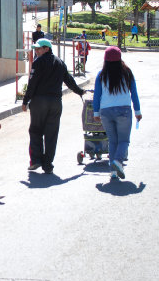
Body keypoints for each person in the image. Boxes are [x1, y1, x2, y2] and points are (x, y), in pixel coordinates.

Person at [22, 39, 85, 174]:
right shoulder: (60, 63)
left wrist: (25, 100)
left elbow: (32, 83)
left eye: (39, 49)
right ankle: (48, 164)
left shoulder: (38, 62)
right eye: (36, 49)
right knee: (51, 134)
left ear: (47, 49)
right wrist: (80, 91)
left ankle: (36, 160)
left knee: (35, 131)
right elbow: (69, 80)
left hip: (39, 102)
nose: (37, 51)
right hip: (56, 103)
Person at [92, 46, 142, 180]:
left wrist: (96, 113)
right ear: (120, 58)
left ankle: (113, 170)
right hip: (124, 110)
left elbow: (97, 95)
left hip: (106, 112)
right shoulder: (127, 72)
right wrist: (137, 111)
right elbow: (134, 94)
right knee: (124, 140)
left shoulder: (101, 74)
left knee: (113, 141)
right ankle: (118, 162)